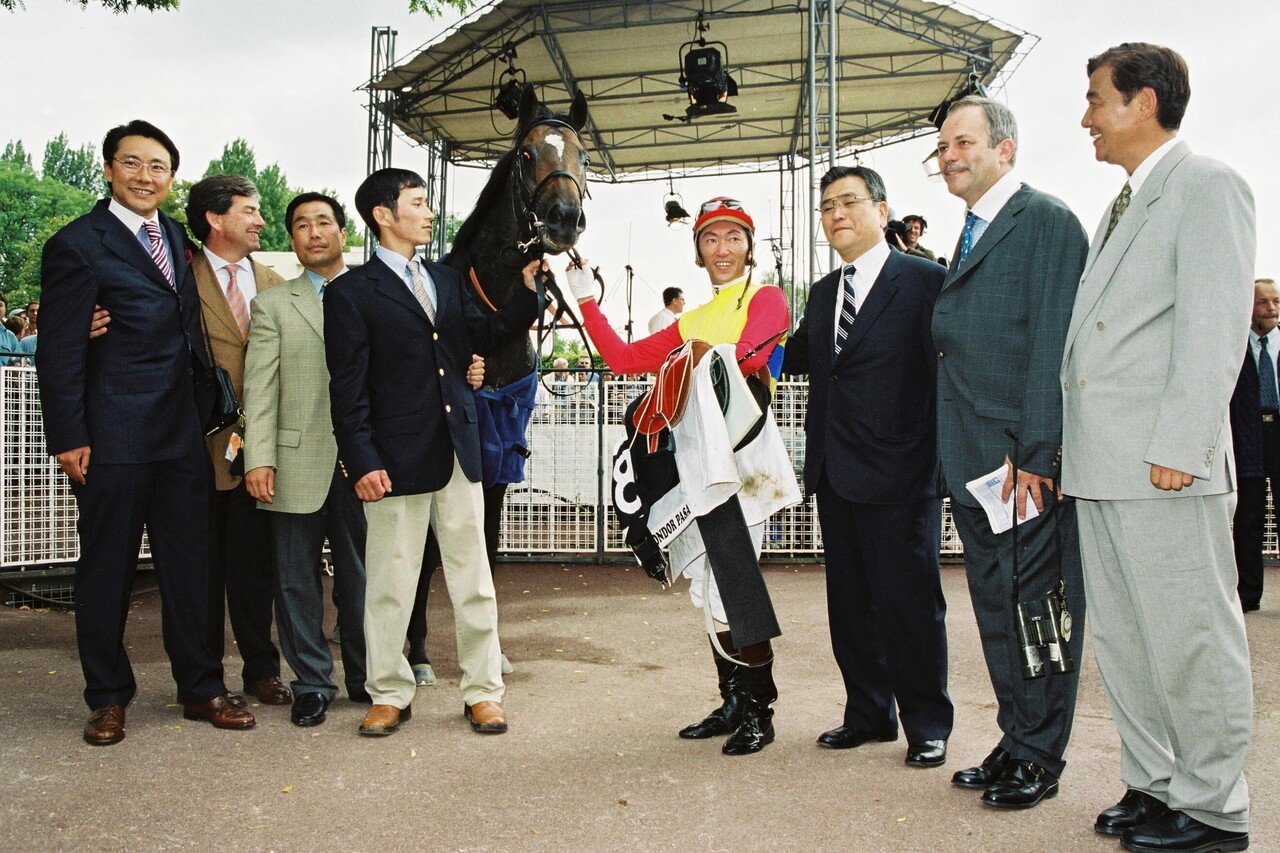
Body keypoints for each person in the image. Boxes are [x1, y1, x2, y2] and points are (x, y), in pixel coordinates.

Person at [1063, 43, 1254, 851]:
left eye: (1096, 100)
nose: (1086, 119)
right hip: (1106, 462)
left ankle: (1215, 807)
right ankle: (1154, 782)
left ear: (1144, 102)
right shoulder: (1124, 203)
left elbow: (1216, 329)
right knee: (1128, 639)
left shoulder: (1207, 186)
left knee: (1192, 638)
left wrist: (1184, 441)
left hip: (1163, 463)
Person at [36, 119, 253, 745]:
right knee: (107, 570)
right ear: (108, 169)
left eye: (158, 167)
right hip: (111, 435)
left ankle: (202, 688)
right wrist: (68, 435)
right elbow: (57, 350)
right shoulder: (76, 244)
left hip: (181, 431)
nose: (144, 177)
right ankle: (106, 697)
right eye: (131, 164)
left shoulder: (177, 235)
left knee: (191, 567)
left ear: (171, 177)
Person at [567, 196, 797, 756]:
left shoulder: (766, 298)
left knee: (733, 587)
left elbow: (743, 359)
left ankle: (758, 711)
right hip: (699, 462)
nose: (722, 248)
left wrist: (690, 353)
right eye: (711, 239)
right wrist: (588, 302)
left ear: (749, 246)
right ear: (698, 250)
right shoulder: (690, 319)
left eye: (733, 237)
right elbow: (621, 359)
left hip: (744, 462)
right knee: (710, 587)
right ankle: (733, 702)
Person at [324, 167, 541, 737]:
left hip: (459, 453)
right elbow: (346, 390)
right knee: (391, 585)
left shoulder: (446, 279)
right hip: (392, 462)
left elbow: (483, 336)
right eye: (417, 204)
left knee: (474, 581)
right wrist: (362, 462)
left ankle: (483, 691)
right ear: (383, 216)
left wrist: (527, 294)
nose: (427, 213)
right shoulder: (349, 293)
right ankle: (389, 692)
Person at [933, 95, 1089, 809]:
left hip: (1019, 465)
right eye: (942, 147)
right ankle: (1016, 734)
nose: (950, 156)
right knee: (998, 609)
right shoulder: (969, 231)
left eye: (964, 141)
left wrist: (1039, 452)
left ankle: (1041, 752)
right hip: (974, 464)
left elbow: (1054, 347)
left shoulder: (1045, 222)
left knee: (1035, 611)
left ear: (1007, 149)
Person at [783, 166, 952, 769]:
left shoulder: (928, 282)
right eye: (827, 206)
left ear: (883, 210)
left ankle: (927, 723)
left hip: (904, 475)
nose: (837, 215)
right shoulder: (824, 292)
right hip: (835, 471)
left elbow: (947, 374)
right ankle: (868, 713)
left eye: (850, 201)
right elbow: (796, 357)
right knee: (849, 603)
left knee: (909, 604)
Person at [243, 193, 370, 725]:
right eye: (301, 225)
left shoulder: (374, 294)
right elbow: (261, 388)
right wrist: (259, 458)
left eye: (324, 222)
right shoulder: (272, 304)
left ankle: (372, 677)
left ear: (344, 233)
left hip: (366, 463)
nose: (314, 232)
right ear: (292, 240)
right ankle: (312, 682)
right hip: (295, 462)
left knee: (366, 577)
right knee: (295, 579)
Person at [186, 175, 290, 707]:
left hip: (260, 450)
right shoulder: (179, 276)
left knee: (254, 569)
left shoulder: (275, 282)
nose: (260, 220)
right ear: (214, 218)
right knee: (199, 572)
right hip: (195, 451)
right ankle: (203, 679)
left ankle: (261, 669)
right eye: (249, 211)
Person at [1228, 278, 1278, 614]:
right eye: (1263, 303)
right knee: (1248, 517)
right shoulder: (1234, 346)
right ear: (1249, 307)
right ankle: (1248, 595)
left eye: (1275, 301)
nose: (1271, 309)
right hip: (1246, 434)